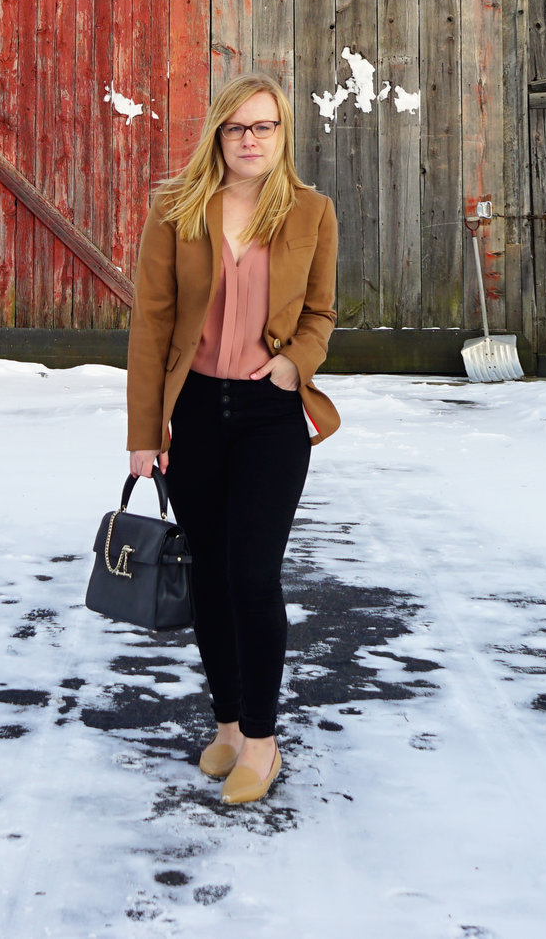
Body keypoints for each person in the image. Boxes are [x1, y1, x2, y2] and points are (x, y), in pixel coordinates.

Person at [126, 72, 339, 805]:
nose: (251, 140)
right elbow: (151, 326)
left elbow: (321, 314)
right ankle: (224, 726)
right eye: (237, 128)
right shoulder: (177, 210)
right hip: (196, 417)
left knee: (252, 575)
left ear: (284, 135)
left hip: (268, 417)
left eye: (265, 127)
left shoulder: (311, 213)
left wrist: (293, 366)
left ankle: (261, 739)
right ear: (218, 134)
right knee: (212, 577)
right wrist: (143, 433)